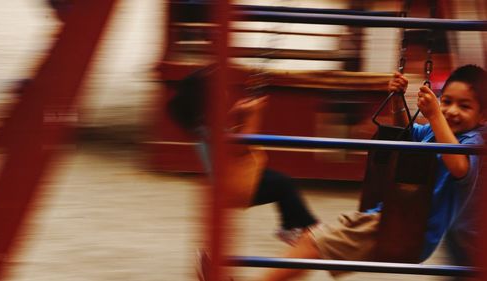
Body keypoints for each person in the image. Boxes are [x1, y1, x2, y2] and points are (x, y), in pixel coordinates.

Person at [250, 64, 486, 281]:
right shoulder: (431, 132)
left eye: (464, 106)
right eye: (446, 102)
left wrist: (435, 115)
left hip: (405, 229)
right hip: (391, 218)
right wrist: (397, 99)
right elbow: (404, 131)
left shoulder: (472, 142)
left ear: (483, 116)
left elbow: (459, 166)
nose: (452, 111)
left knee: (314, 242)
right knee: (312, 242)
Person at [167, 66, 319, 245]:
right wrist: (253, 116)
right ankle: (308, 226)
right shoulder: (210, 129)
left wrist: (236, 113)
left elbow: (226, 136)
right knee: (284, 185)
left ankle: (290, 227)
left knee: (281, 182)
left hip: (230, 181)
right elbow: (241, 146)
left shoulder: (202, 126)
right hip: (236, 186)